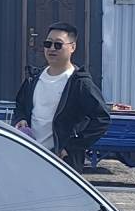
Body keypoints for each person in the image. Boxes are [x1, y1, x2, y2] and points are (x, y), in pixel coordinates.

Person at [14, 23, 110, 171]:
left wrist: (71, 147)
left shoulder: (80, 83)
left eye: (58, 45)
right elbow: (20, 106)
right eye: (48, 44)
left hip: (61, 162)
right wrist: (20, 119)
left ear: (72, 47)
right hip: (30, 157)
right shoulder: (33, 78)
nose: (52, 48)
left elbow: (102, 119)